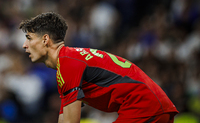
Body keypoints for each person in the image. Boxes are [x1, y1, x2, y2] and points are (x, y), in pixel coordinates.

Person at [19, 12, 178, 123]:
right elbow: (65, 116)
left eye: (29, 38)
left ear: (45, 39)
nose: (24, 45)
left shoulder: (68, 63)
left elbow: (71, 121)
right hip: (153, 106)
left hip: (144, 107)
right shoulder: (68, 62)